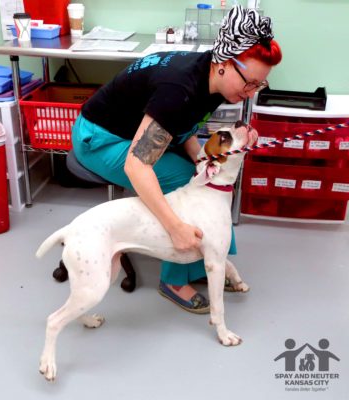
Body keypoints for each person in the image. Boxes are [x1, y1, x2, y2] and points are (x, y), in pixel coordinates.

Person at [71, 6, 282, 313]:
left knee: (199, 178)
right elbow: (137, 164)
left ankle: (206, 259)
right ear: (224, 62)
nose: (250, 93)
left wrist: (207, 162)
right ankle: (174, 279)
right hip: (99, 139)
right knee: (184, 180)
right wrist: (174, 227)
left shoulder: (213, 78)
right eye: (248, 83)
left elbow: (182, 129)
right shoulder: (179, 89)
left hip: (135, 132)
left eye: (258, 85)